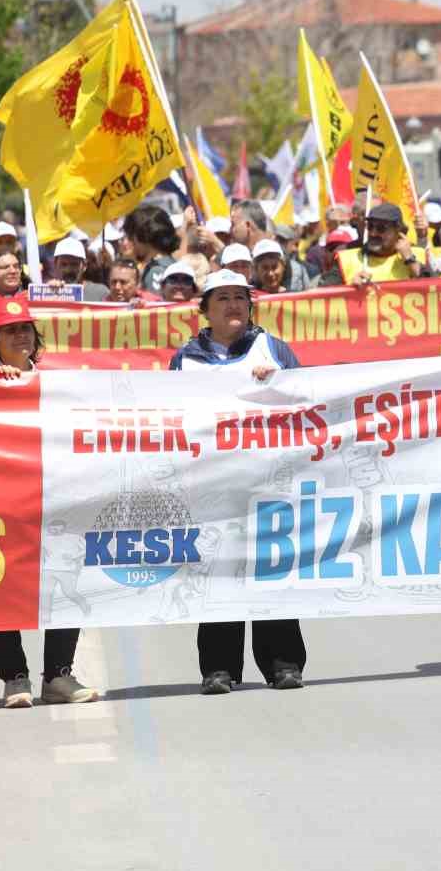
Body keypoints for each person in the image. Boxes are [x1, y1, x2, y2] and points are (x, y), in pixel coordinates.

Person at [168, 270, 307, 693]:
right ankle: (219, 668)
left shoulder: (273, 349)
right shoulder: (186, 359)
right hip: (211, 486)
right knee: (218, 573)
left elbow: (310, 401)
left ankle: (283, 663)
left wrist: (281, 384)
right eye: (222, 298)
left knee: (271, 570)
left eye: (240, 298)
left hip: (269, 484)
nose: (233, 305)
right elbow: (169, 415)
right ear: (205, 309)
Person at [0, 294, 99, 708]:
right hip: (0, 504)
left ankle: (58, 675)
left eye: (25, 328)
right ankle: (14, 677)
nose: (21, 335)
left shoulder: (55, 381)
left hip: (55, 501)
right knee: (1, 587)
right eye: (10, 330)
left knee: (65, 581)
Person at [339, 203, 425, 285]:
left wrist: (410, 260)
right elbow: (327, 294)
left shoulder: (419, 255)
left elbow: (435, 289)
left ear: (398, 231)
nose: (373, 233)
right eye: (370, 226)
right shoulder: (346, 259)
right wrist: (350, 289)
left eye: (381, 228)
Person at [123, 205, 181, 292]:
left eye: (131, 237)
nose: (130, 243)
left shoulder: (156, 270)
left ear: (142, 237)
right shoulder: (174, 264)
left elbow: (155, 304)